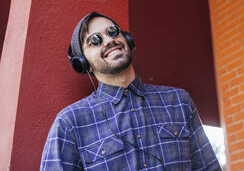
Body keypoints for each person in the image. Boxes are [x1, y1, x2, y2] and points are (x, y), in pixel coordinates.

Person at [40, 12, 221, 171]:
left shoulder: (179, 101)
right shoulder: (69, 122)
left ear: (127, 40)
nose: (110, 40)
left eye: (112, 32)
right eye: (95, 40)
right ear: (83, 63)